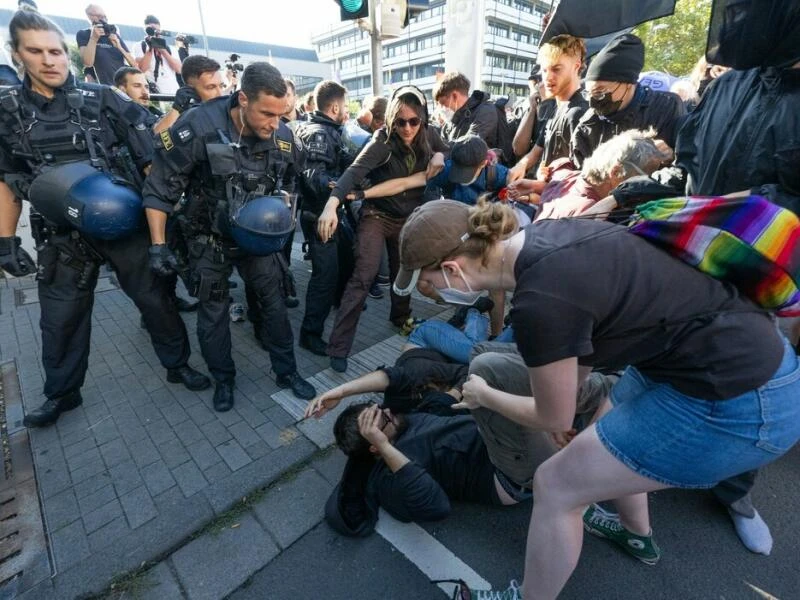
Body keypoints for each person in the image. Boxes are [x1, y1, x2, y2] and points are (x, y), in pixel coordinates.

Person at [392, 199, 800, 599]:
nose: (434, 295)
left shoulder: (539, 303)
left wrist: (485, 395)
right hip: (718, 353)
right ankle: (637, 535)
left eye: (430, 284)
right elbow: (582, 347)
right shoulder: (545, 239)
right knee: (602, 431)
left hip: (740, 403)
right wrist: (565, 417)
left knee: (556, 485)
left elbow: (552, 416)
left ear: (452, 268)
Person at [0, 11, 208, 427]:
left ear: (67, 54)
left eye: (56, 51)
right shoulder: (7, 111)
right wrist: (6, 241)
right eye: (36, 51)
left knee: (157, 302)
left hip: (124, 225)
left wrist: (160, 236)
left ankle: (177, 364)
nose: (49, 61)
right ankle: (62, 394)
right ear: (16, 54)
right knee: (60, 320)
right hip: (62, 235)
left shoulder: (104, 98)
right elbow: (7, 180)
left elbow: (152, 162)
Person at [142, 62, 316, 411]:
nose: (275, 123)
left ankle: (287, 372)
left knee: (275, 305)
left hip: (258, 241)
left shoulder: (282, 136)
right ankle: (224, 379)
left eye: (282, 114)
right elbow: (160, 187)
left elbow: (292, 182)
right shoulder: (199, 125)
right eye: (267, 113)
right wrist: (158, 246)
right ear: (242, 99)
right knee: (213, 313)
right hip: (210, 239)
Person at [316, 85, 445, 374]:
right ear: (390, 120)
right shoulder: (381, 142)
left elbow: (449, 149)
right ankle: (338, 346)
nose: (408, 127)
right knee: (363, 275)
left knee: (405, 271)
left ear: (422, 118)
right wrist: (330, 205)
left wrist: (440, 155)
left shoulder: (429, 134)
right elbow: (352, 173)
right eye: (400, 122)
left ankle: (401, 318)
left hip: (408, 218)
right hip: (376, 215)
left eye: (414, 121)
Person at [294, 80, 356, 356]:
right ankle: (310, 333)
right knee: (324, 276)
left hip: (329, 214)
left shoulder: (325, 129)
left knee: (346, 258)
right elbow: (314, 176)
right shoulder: (320, 133)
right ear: (334, 107)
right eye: (344, 106)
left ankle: (340, 301)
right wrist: (341, 188)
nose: (347, 111)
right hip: (321, 216)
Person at [571, 33, 685, 168]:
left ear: (629, 84)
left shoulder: (666, 107)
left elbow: (687, 163)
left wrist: (672, 156)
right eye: (589, 93)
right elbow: (579, 178)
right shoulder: (588, 124)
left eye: (600, 93)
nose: (592, 102)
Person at [507, 129, 667, 219]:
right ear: (616, 171)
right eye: (646, 177)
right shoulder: (592, 215)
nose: (649, 185)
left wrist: (538, 186)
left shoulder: (566, 177)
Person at [508, 35, 587, 182]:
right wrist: (520, 167)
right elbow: (537, 150)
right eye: (544, 70)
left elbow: (579, 182)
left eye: (556, 69)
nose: (548, 77)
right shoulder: (558, 108)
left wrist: (534, 190)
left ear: (576, 66)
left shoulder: (578, 114)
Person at [153, 54, 225, 134]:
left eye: (221, 86)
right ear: (191, 90)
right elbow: (156, 137)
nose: (220, 94)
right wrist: (177, 109)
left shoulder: (228, 110)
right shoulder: (183, 116)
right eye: (211, 87)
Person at [434, 72, 498, 148]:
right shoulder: (450, 122)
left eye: (443, 103)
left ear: (455, 96)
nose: (441, 108)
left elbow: (469, 146)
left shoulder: (485, 111)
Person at [77, 4, 137, 85]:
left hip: (123, 86)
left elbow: (134, 65)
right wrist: (94, 39)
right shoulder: (84, 34)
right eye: (99, 16)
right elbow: (87, 63)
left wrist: (119, 47)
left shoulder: (113, 35)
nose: (103, 19)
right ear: (89, 16)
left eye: (104, 16)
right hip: (105, 88)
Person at [135, 15, 181, 96]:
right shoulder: (140, 46)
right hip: (153, 94)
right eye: (151, 30)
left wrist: (163, 51)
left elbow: (179, 69)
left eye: (156, 30)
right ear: (146, 30)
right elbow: (141, 69)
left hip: (173, 93)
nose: (154, 33)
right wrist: (150, 48)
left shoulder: (170, 48)